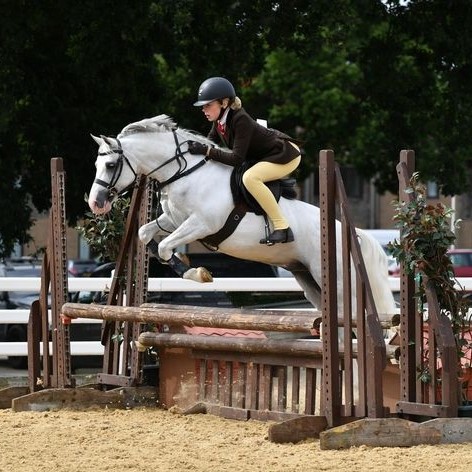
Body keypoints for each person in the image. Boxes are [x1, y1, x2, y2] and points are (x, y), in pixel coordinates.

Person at [187, 77, 301, 245]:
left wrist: (207, 151)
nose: (204, 109)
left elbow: (236, 159)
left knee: (250, 178)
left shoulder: (241, 120)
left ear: (224, 103)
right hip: (265, 155)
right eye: (203, 106)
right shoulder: (219, 120)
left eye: (208, 105)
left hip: (285, 155)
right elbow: (209, 143)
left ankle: (282, 227)